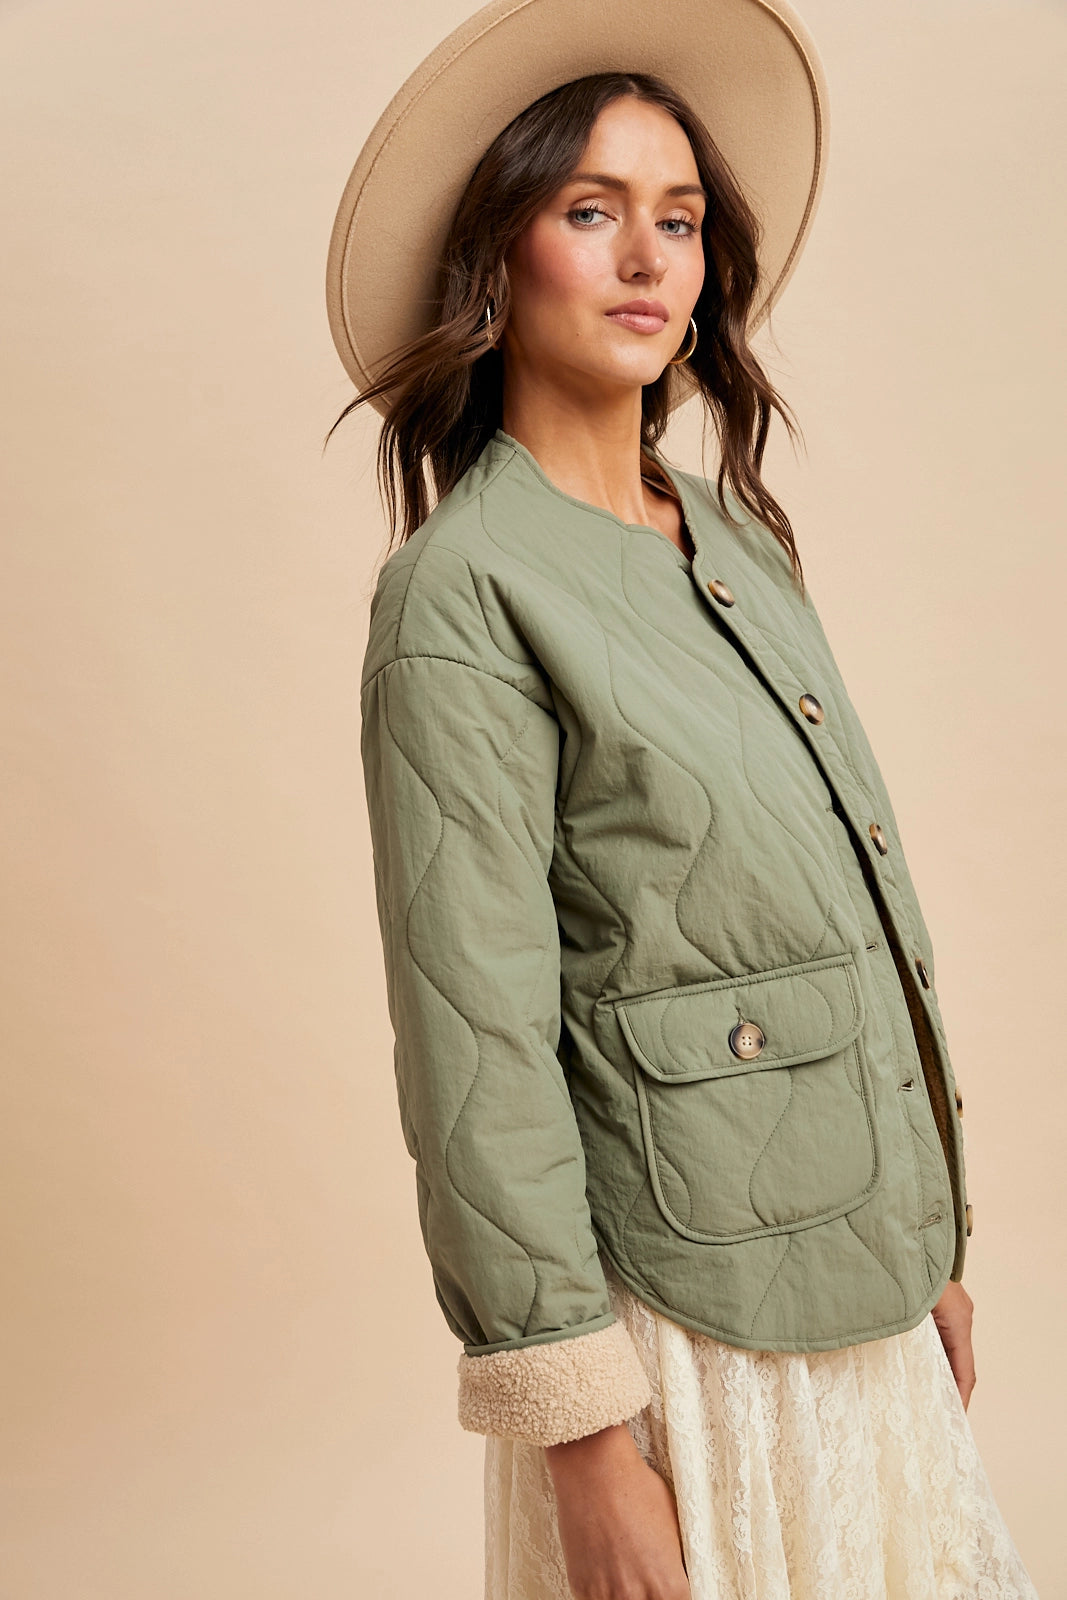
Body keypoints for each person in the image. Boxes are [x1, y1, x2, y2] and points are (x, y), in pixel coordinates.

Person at [325, 1, 1040, 1594]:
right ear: (497, 258)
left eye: (681, 216)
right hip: (685, 1322)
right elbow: (476, 1042)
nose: (649, 257)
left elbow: (850, 906)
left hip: (862, 1273)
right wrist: (582, 1436)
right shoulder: (464, 596)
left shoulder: (735, 541)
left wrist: (934, 1241)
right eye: (591, 212)